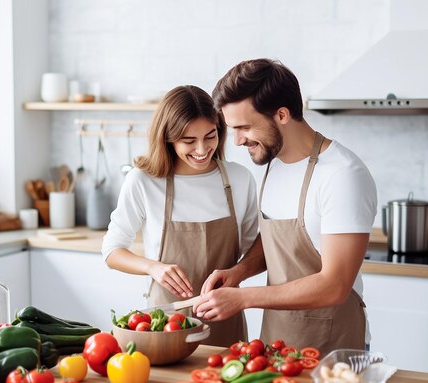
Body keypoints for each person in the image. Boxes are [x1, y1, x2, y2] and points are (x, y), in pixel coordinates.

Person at [193, 59, 377, 354]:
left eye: (244, 127)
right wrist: (238, 272)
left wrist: (243, 298)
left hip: (333, 349)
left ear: (281, 114)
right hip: (277, 344)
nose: (238, 140)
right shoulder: (273, 164)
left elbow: (335, 285)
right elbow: (275, 241)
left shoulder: (342, 175)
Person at [102, 85, 258, 347]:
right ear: (168, 138)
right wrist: (153, 267)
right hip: (166, 322)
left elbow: (258, 249)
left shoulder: (239, 178)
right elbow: (111, 251)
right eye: (188, 141)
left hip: (225, 321)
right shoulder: (144, 181)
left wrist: (238, 273)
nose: (201, 149)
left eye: (211, 136)